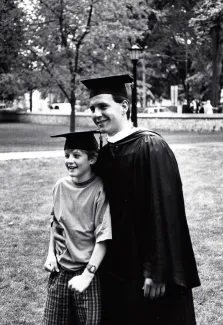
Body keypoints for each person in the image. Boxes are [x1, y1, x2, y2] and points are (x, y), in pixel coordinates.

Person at [81, 74, 201, 325]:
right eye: (93, 108)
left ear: (124, 106)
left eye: (103, 106)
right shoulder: (105, 153)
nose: (96, 113)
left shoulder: (150, 146)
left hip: (145, 266)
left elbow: (164, 211)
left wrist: (158, 269)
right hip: (115, 264)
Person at [43, 130, 112, 325]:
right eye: (66, 155)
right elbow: (56, 223)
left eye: (76, 155)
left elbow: (103, 238)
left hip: (86, 273)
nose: (69, 160)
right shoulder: (60, 186)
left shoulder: (99, 190)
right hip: (60, 272)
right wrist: (50, 255)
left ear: (92, 158)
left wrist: (87, 275)